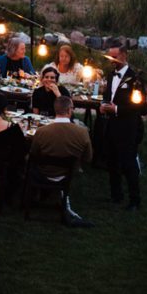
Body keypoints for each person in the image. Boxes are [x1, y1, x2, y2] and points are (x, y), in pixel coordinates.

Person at [30, 96, 94, 227]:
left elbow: (33, 155)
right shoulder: (82, 132)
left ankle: (33, 196)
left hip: (43, 173)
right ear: (70, 110)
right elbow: (88, 158)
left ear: (55, 110)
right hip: (68, 175)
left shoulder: (41, 132)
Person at [101, 44, 147, 210]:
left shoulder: (135, 79)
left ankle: (135, 200)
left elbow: (143, 109)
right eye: (109, 58)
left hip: (127, 128)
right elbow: (107, 96)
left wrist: (117, 109)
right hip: (111, 126)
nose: (112, 61)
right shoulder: (110, 76)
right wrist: (104, 104)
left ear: (124, 56)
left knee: (128, 165)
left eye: (114, 57)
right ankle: (116, 195)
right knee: (112, 162)